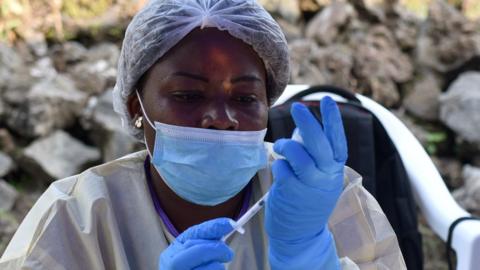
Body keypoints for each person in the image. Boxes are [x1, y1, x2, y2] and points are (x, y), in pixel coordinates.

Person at [0, 0, 406, 269]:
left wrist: (311, 257)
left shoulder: (327, 200)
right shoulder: (75, 219)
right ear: (135, 107)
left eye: (246, 97)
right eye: (187, 94)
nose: (220, 117)